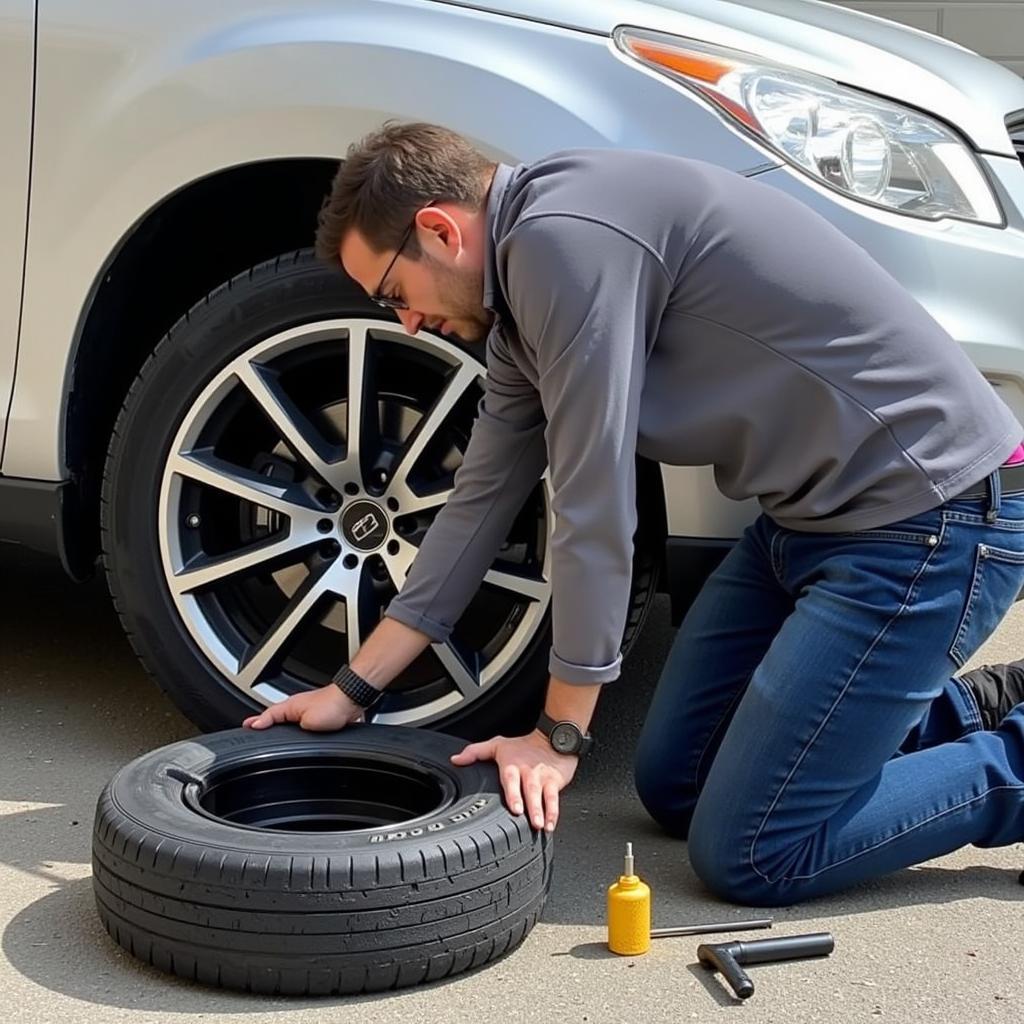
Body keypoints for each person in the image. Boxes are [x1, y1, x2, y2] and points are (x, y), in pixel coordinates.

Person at [242, 121, 1024, 906]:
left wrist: (557, 738)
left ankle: (1013, 768)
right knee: (678, 781)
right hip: (808, 525)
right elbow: (478, 503)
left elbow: (594, 505)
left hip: (934, 522)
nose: (404, 321)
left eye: (392, 294)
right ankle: (975, 704)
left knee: (756, 852)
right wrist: (352, 689)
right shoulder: (520, 302)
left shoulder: (562, 242)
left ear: (439, 231)